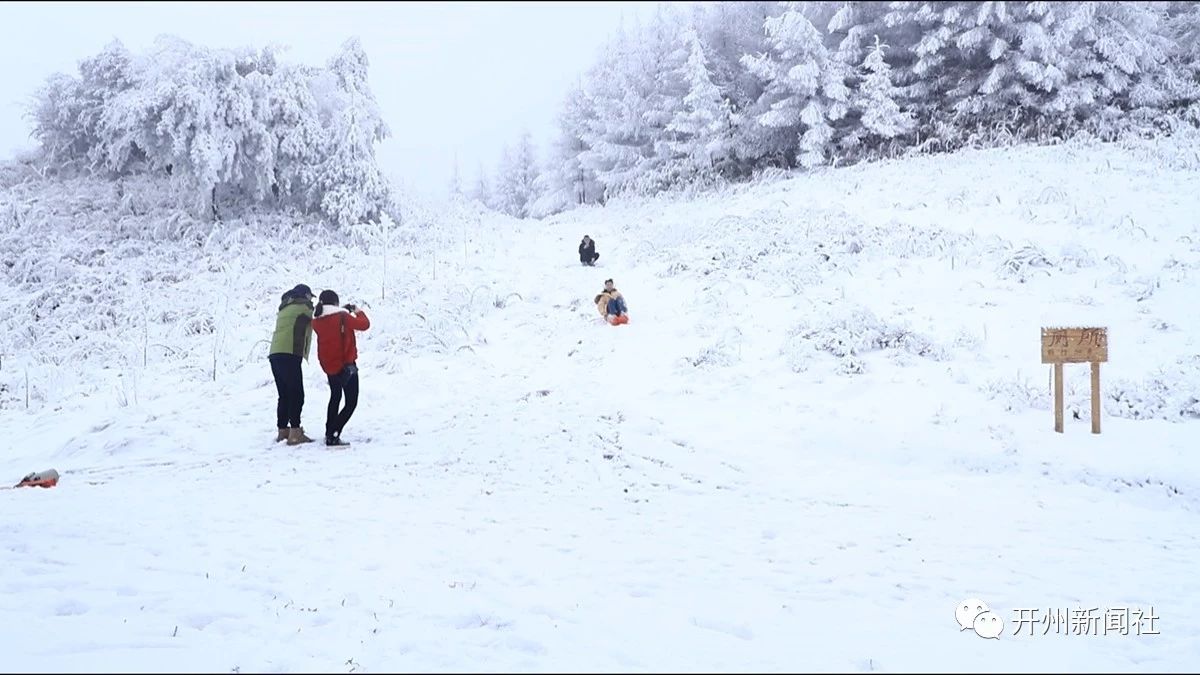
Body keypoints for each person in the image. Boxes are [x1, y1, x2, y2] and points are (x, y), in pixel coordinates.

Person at [311, 289, 371, 447]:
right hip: (346, 366)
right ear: (336, 303)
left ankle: (329, 431)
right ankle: (333, 434)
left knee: (335, 397)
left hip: (329, 366)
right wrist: (356, 310)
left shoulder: (316, 320)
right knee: (351, 402)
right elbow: (364, 325)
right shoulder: (342, 316)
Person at [269, 284, 316, 445]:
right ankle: (295, 432)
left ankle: (283, 430)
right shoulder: (303, 306)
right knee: (297, 394)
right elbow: (319, 317)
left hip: (275, 353)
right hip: (289, 353)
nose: (311, 300)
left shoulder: (285, 307)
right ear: (305, 295)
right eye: (310, 296)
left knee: (284, 394)